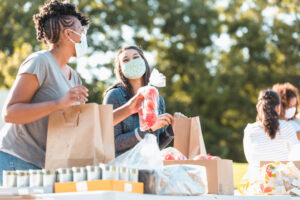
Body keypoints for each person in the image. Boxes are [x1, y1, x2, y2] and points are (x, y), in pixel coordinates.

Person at [103, 46, 174, 156]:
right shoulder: (114, 96)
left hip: (148, 168)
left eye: (136, 57)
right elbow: (112, 143)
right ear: (120, 69)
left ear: (144, 62)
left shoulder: (157, 99)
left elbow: (155, 147)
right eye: (126, 60)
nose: (132, 62)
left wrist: (171, 130)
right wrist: (148, 130)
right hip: (122, 169)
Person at [243, 90, 299, 173]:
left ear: (258, 108)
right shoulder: (286, 126)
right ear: (279, 108)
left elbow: (250, 159)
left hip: (256, 182)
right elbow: (296, 155)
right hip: (284, 182)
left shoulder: (249, 130)